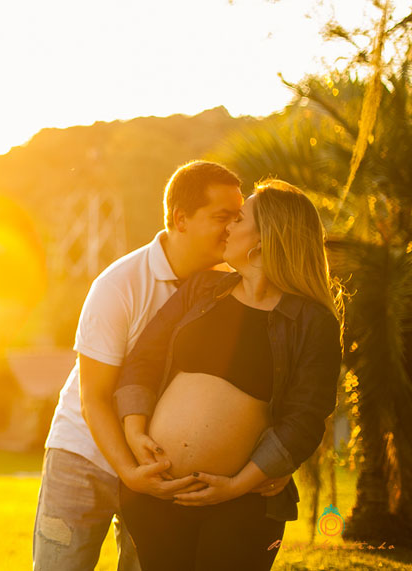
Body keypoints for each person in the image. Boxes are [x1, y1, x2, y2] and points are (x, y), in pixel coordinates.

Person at [113, 179, 344, 571]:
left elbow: (305, 418)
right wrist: (136, 436)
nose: (227, 228)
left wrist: (237, 486)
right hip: (159, 494)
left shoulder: (311, 321)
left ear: (265, 237)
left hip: (244, 505)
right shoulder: (201, 288)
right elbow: (142, 361)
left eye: (238, 219)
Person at [34, 160, 247, 570]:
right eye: (222, 217)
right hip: (85, 458)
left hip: (164, 472)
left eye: (238, 218)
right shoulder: (119, 286)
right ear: (180, 219)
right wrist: (128, 471)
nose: (233, 228)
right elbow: (93, 398)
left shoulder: (231, 287)